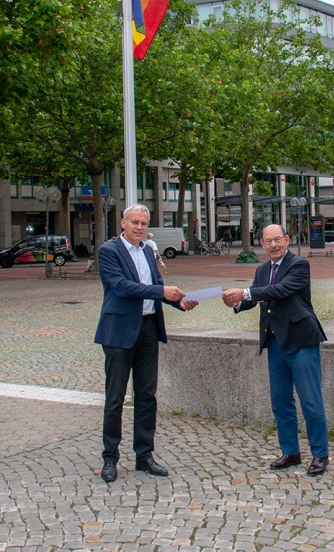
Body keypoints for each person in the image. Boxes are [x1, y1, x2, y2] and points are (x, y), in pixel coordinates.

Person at [94, 204, 198, 483]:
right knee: (115, 398)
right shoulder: (109, 251)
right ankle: (110, 457)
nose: (139, 227)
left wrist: (179, 302)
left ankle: (144, 455)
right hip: (119, 332)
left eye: (143, 223)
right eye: (134, 222)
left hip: (149, 328)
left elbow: (156, 287)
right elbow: (121, 287)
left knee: (147, 396)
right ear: (123, 223)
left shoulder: (149, 251)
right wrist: (161, 290)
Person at [222, 224, 329, 476]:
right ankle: (290, 452)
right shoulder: (261, 270)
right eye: (268, 241)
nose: (273, 245)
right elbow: (257, 298)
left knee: (311, 401)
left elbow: (279, 291)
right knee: (281, 402)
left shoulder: (299, 265)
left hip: (301, 341)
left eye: (277, 240)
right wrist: (235, 302)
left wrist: (246, 292)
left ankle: (320, 454)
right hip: (275, 343)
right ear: (261, 243)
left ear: (287, 240)